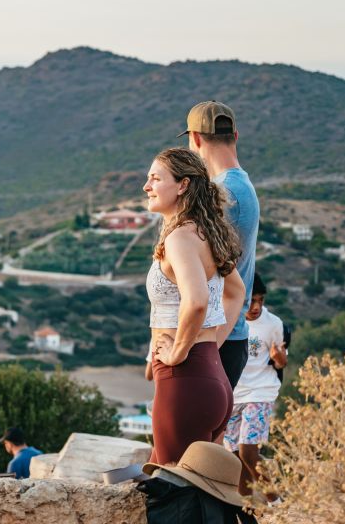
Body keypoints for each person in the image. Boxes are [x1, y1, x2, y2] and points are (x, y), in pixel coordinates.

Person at [142, 147, 246, 465]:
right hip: (211, 378)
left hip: (185, 381)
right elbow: (236, 293)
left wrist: (179, 353)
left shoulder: (180, 239)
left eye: (155, 178)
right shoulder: (203, 234)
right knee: (199, 493)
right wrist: (208, 346)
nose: (146, 186)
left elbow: (197, 301)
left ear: (183, 185)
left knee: (174, 493)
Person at [180, 101, 260, 390]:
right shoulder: (240, 186)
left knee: (195, 436)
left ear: (196, 139)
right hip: (228, 340)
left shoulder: (223, 194)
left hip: (216, 340)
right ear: (235, 136)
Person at [224, 273, 286, 497]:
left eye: (261, 300)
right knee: (233, 456)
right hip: (234, 393)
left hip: (261, 392)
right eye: (252, 300)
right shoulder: (229, 319)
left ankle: (277, 502)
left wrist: (278, 357)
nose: (256, 306)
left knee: (248, 452)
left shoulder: (273, 324)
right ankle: (246, 509)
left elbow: (281, 362)